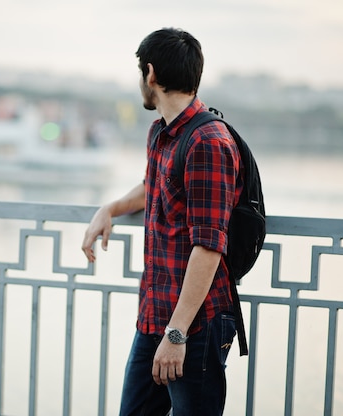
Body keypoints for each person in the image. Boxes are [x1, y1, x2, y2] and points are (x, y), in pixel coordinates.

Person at [81, 28, 243, 415]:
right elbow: (152, 185)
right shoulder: (162, 133)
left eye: (140, 72)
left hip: (194, 325)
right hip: (155, 314)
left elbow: (208, 245)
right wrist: (110, 208)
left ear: (150, 74)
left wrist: (177, 333)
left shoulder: (208, 142)